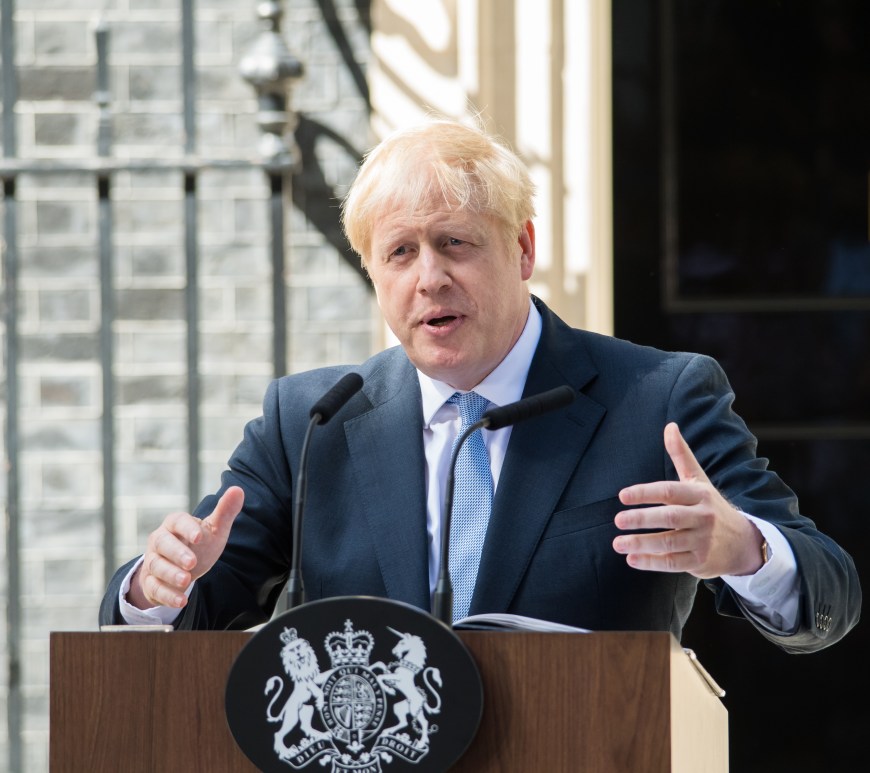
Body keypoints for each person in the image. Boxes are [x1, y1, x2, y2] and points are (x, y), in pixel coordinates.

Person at [100, 120, 860, 652]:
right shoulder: (308, 420)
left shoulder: (658, 398)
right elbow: (190, 615)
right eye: (399, 252)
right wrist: (155, 587)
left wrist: (746, 549)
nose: (429, 277)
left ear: (522, 248)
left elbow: (830, 592)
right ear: (375, 274)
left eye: (454, 243)